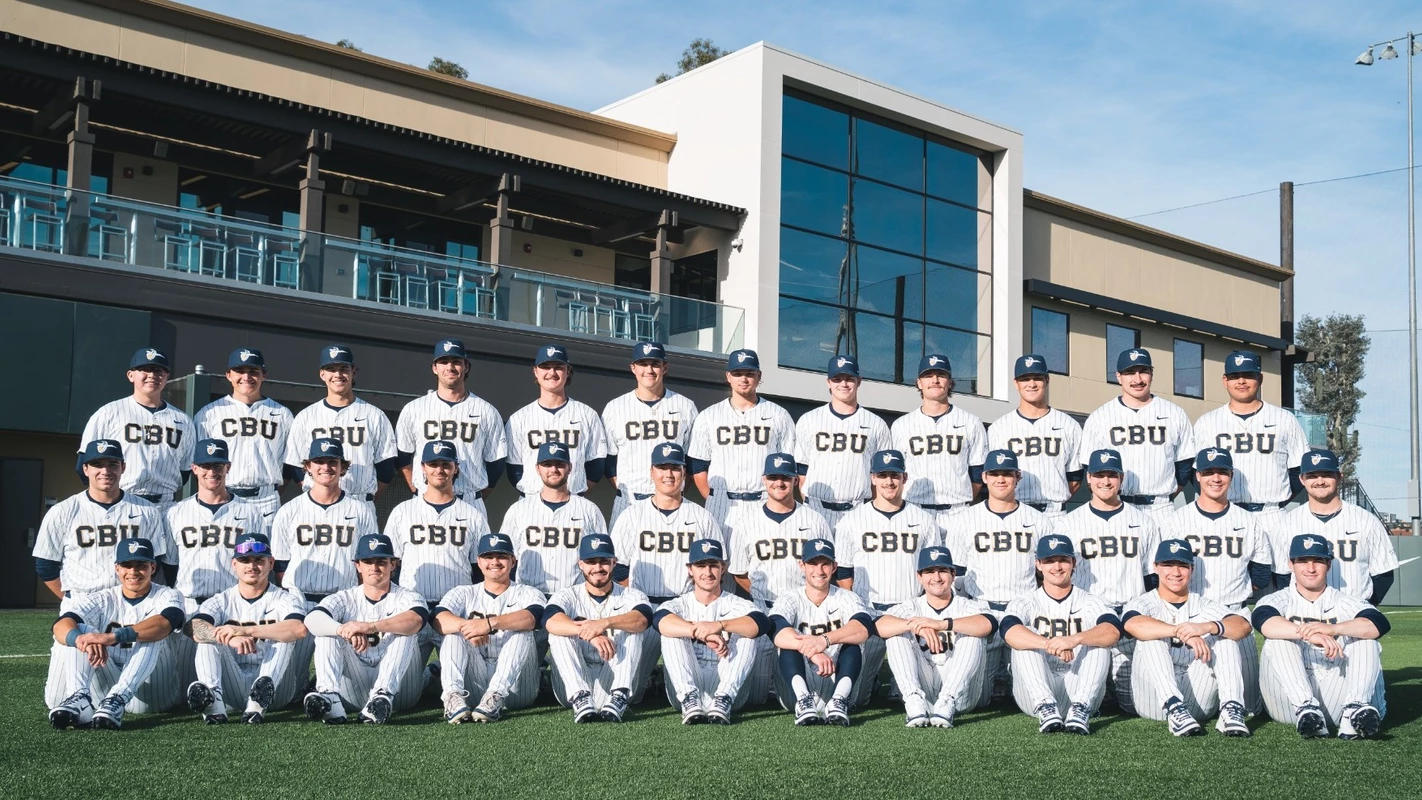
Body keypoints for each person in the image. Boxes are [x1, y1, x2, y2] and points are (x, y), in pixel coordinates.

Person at [1160, 447, 1273, 713]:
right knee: (1194, 699)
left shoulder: (1249, 521)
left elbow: (1261, 574)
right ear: (1197, 476)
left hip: (1234, 613)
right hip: (1190, 615)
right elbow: (1164, 573)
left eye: (1222, 472)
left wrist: (1233, 591)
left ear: (1231, 475)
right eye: (1208, 471)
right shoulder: (1176, 521)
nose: (1215, 478)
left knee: (1249, 704)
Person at [1052, 448, 1160, 711]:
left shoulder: (1144, 522)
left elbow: (1152, 578)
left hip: (1129, 617)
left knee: (1133, 703)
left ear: (1121, 478)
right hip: (1088, 620)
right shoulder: (1068, 524)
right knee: (1085, 700)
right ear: (1089, 478)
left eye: (1111, 475)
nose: (1105, 481)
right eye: (1099, 475)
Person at [1254, 534, 1389, 739]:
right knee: (1278, 638)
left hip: (1338, 693)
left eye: (1318, 561)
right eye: (1302, 561)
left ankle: (1355, 709)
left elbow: (1378, 624)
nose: (1310, 568)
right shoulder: (1278, 599)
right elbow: (1264, 622)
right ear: (1291, 565)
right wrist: (1309, 634)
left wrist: (1333, 629)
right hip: (1290, 701)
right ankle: (1306, 708)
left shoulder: (1344, 601)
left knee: (1365, 639)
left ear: (1328, 564)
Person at [45, 538, 186, 730]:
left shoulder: (168, 594)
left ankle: (119, 696)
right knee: (83, 632)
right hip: (107, 691)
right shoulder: (103, 598)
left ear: (152, 567)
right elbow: (60, 625)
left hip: (152, 693)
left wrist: (112, 637)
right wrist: (80, 639)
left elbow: (165, 622)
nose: (133, 572)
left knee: (151, 634)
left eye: (141, 565)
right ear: (117, 568)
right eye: (127, 565)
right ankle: (80, 698)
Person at [944, 449, 1051, 703]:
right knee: (975, 698)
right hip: (983, 611)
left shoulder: (1039, 521)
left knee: (1030, 694)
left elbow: (1046, 574)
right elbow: (957, 574)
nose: (1001, 479)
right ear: (985, 477)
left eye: (1007, 473)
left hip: (1023, 613)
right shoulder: (964, 520)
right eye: (994, 474)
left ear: (1018, 476)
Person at [1123, 539, 1253, 737]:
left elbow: (1242, 626)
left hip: (1197, 697)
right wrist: (1180, 632)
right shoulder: (1143, 602)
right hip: (1154, 701)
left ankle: (1231, 708)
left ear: (1192, 569)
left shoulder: (1203, 604)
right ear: (1155, 567)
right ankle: (1174, 706)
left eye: (1182, 566)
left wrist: (1207, 627)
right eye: (1168, 565)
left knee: (1225, 637)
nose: (1175, 572)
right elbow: (1132, 624)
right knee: (1150, 638)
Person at [302, 533, 429, 724]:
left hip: (400, 693)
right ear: (358, 566)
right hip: (354, 688)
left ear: (393, 565)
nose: (374, 567)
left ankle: (383, 694)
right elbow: (312, 619)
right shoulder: (345, 597)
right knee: (327, 634)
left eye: (381, 562)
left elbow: (416, 620)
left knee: (405, 633)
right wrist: (343, 630)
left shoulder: (408, 596)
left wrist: (370, 626)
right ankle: (330, 697)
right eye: (368, 561)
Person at [1001, 536, 1122, 735]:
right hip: (1035, 692)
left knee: (1098, 639)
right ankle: (1046, 706)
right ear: (1038, 564)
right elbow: (1009, 631)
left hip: (1080, 688)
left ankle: (1081, 708)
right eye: (1049, 561)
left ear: (1073, 562)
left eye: (1063, 560)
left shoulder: (1091, 601)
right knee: (1025, 636)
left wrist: (1073, 639)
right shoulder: (1025, 601)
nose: (1057, 567)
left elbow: (1113, 630)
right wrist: (1051, 644)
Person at [184, 534, 310, 724]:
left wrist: (245, 631)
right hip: (233, 685)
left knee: (285, 636)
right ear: (234, 564)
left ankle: (259, 703)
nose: (251, 566)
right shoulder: (221, 600)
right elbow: (193, 626)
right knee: (209, 637)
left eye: (258, 560)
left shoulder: (285, 598)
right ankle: (214, 704)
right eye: (244, 560)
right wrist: (228, 638)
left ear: (270, 563)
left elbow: (298, 629)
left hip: (277, 690)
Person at [1191, 350, 1308, 551]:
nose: (1241, 381)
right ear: (1225, 380)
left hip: (1271, 515)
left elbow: (1299, 471)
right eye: (1235, 376)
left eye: (1248, 375)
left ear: (1260, 378)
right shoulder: (1207, 422)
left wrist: (1277, 498)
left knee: (1275, 570)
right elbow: (1197, 474)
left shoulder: (1284, 419)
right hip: (1225, 513)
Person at [33, 439, 170, 601]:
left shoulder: (148, 511)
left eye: (113, 464)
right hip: (82, 598)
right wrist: (69, 599)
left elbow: (155, 561)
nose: (105, 471)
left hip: (130, 601)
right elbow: (45, 565)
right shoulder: (62, 511)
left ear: (123, 467)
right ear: (85, 469)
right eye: (97, 465)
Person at [877, 546, 997, 728]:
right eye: (929, 571)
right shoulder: (912, 606)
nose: (937, 577)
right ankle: (913, 700)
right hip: (924, 691)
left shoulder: (967, 606)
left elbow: (988, 624)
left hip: (962, 696)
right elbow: (880, 625)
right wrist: (914, 625)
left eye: (942, 571)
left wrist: (941, 624)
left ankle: (947, 700)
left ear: (953, 574)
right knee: (896, 634)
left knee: (973, 635)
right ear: (919, 577)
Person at [655, 539, 772, 724]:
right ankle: (689, 698)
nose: (708, 572)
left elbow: (761, 623)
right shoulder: (680, 603)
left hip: (730, 689)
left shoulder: (737, 603)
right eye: (701, 566)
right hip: (687, 687)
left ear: (722, 568)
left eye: (713, 566)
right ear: (690, 569)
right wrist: (700, 632)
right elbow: (659, 620)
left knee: (747, 634)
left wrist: (719, 625)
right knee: (671, 633)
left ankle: (723, 698)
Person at [432, 533, 545, 724]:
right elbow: (438, 618)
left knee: (523, 632)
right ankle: (452, 696)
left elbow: (533, 617)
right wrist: (467, 628)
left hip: (516, 689)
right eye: (488, 557)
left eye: (501, 556)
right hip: (474, 686)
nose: (495, 562)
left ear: (513, 561)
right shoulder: (464, 592)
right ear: (478, 561)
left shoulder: (528, 592)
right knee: (453, 634)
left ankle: (496, 694)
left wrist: (488, 624)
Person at [543, 533, 653, 723]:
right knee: (558, 634)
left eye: (603, 561)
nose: (597, 568)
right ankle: (581, 697)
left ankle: (619, 695)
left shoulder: (631, 595)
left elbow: (642, 619)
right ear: (581, 564)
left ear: (614, 563)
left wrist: (604, 623)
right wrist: (590, 634)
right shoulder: (567, 595)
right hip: (574, 683)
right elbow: (550, 621)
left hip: (615, 678)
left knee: (633, 631)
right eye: (591, 562)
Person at [769, 538, 877, 726]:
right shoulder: (789, 597)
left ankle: (838, 701)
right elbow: (776, 630)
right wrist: (814, 651)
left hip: (839, 681)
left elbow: (862, 627)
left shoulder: (847, 597)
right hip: (795, 691)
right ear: (802, 565)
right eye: (813, 563)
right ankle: (804, 701)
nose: (819, 571)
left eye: (825, 564)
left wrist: (824, 640)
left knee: (853, 641)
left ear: (834, 567)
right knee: (788, 643)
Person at [395, 338, 507, 516]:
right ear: (434, 368)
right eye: (443, 362)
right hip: (424, 500)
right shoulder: (413, 409)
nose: (450, 367)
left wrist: (476, 495)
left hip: (469, 499)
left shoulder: (486, 411)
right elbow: (402, 457)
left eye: (456, 361)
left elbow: (496, 463)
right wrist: (416, 488)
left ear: (466, 367)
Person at [1079, 348, 1195, 519]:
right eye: (1130, 373)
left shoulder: (1174, 413)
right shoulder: (1100, 417)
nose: (1138, 379)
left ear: (1152, 374)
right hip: (1117, 505)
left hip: (1161, 507)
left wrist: (1166, 494)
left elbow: (1184, 466)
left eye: (1143, 372)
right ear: (1118, 376)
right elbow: (1090, 469)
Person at [283, 344, 399, 509]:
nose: (338, 374)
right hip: (315, 504)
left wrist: (367, 498)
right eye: (331, 369)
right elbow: (295, 465)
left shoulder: (374, 415)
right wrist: (318, 493)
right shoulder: (305, 417)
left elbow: (386, 467)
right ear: (322, 374)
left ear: (354, 372)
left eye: (344, 368)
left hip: (359, 501)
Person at [79, 347, 195, 511]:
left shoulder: (183, 421)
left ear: (167, 377)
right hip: (122, 502)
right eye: (145, 369)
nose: (152, 375)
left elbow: (185, 470)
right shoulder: (108, 413)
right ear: (131, 375)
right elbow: (84, 463)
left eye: (158, 371)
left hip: (166, 505)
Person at [688, 349, 796, 525]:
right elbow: (698, 465)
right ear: (728, 376)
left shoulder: (779, 415)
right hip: (722, 502)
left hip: (763, 501)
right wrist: (713, 498)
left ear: (759, 376)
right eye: (737, 373)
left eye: (749, 374)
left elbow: (788, 465)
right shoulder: (708, 416)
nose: (743, 379)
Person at [1277, 449, 1398, 603]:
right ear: (1302, 479)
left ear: (1339, 476)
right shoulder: (1287, 523)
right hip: (1304, 612)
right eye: (1312, 476)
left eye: (1327, 474)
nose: (1320, 481)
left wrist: (1364, 608)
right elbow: (1281, 574)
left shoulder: (1366, 521)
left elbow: (1384, 574)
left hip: (1353, 611)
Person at [271, 438, 379, 610]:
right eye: (319, 461)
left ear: (343, 467)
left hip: (343, 601)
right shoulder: (288, 511)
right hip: (298, 601)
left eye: (332, 462)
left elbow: (367, 562)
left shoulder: (361, 511)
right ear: (308, 467)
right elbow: (280, 562)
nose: (326, 467)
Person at [602, 341, 699, 527]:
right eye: (643, 364)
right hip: (629, 501)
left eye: (655, 364)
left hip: (673, 503)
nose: (649, 370)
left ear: (665, 367)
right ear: (633, 368)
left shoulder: (685, 406)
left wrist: (674, 491)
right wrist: (626, 489)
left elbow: (692, 459)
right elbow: (608, 461)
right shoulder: (615, 408)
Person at [167, 439, 269, 615]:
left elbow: (259, 563)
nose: (212, 472)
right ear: (194, 468)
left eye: (218, 466)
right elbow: (170, 565)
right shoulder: (175, 513)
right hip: (188, 603)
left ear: (227, 467)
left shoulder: (250, 512)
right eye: (205, 466)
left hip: (232, 605)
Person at [193, 347, 294, 518]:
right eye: (239, 371)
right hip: (223, 496)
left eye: (253, 371)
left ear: (264, 375)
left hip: (266, 500)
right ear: (228, 375)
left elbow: (290, 464)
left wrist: (271, 489)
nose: (246, 377)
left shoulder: (282, 414)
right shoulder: (209, 413)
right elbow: (199, 463)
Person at [794, 355, 891, 527]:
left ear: (859, 381)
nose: (843, 384)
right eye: (837, 379)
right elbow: (802, 469)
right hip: (816, 509)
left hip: (858, 511)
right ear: (828, 382)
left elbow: (881, 474)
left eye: (849, 379)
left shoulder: (876, 424)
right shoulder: (808, 420)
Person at [728, 453, 833, 609]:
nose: (779, 483)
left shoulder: (816, 520)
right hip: (763, 607)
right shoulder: (745, 523)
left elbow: (829, 567)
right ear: (764, 480)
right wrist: (758, 594)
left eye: (785, 477)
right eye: (773, 477)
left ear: (795, 480)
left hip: (805, 607)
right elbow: (739, 572)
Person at [892, 354, 988, 526]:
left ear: (950, 382)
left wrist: (962, 500)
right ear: (919, 383)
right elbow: (895, 472)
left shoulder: (971, 422)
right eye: (928, 376)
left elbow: (978, 471)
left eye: (941, 375)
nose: (935, 380)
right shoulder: (901, 425)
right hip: (915, 509)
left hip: (958, 512)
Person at [504, 441, 609, 595]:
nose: (553, 469)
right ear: (537, 468)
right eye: (547, 464)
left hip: (574, 597)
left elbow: (602, 558)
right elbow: (506, 558)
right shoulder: (518, 510)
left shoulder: (589, 510)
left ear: (570, 468)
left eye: (559, 464)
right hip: (528, 596)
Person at [505, 343, 609, 496]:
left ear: (568, 371)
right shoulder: (518, 418)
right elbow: (514, 468)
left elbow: (596, 466)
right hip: (531, 501)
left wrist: (572, 494)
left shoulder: (587, 414)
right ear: (535, 371)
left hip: (574, 499)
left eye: (558, 367)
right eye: (545, 367)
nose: (552, 372)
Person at [988, 354, 1082, 517]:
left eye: (1037, 378)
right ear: (1016, 383)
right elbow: (991, 477)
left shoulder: (1069, 425)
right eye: (1025, 379)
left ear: (1047, 380)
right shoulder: (998, 428)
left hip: (1055, 513)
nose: (1031, 384)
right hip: (1014, 512)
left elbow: (1075, 477)